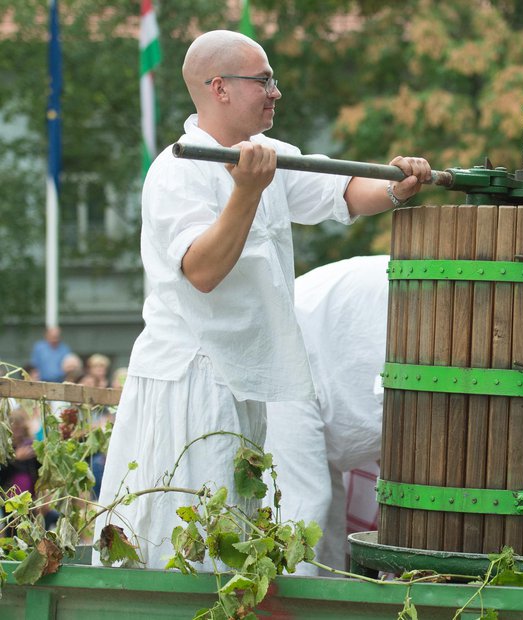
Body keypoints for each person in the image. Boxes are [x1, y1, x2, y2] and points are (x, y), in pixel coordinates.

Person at [92, 30, 430, 571]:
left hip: (251, 380)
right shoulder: (176, 171)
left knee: (238, 531)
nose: (276, 92)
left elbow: (343, 191)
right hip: (190, 383)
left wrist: (395, 188)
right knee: (181, 536)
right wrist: (246, 192)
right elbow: (201, 270)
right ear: (219, 88)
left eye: (273, 80)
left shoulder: (272, 159)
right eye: (264, 80)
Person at [263, 255, 389, 575]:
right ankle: (285, 607)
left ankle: (325, 604)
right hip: (288, 349)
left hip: (316, 348)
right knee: (303, 505)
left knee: (324, 514)